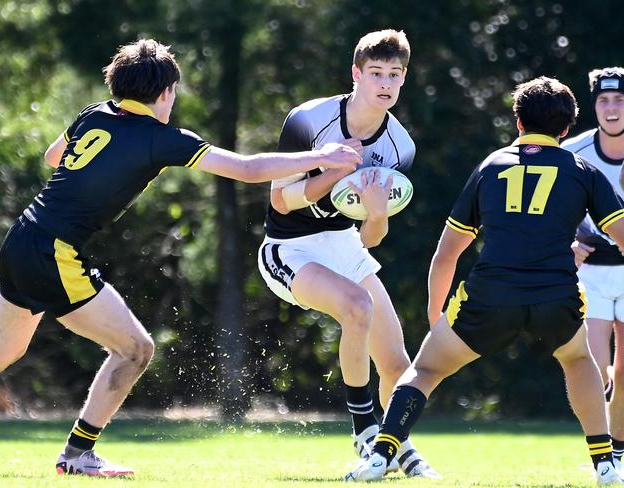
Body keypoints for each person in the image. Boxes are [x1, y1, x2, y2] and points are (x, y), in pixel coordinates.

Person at [0, 39, 361, 477]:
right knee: (135, 349)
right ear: (165, 94)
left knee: (1, 348)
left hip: (21, 237)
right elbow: (248, 169)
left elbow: (52, 156)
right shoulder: (163, 139)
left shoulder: (94, 113)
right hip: (53, 254)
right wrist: (322, 156)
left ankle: (78, 454)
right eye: (174, 92)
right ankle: (78, 455)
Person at [346, 76, 624, 485]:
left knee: (423, 370)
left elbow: (447, 254)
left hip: (489, 296)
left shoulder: (491, 166)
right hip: (555, 296)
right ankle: (605, 465)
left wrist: (435, 311)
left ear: (518, 122)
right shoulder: (583, 170)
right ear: (566, 129)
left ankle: (380, 455)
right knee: (579, 360)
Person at [256, 29, 437, 478]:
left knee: (397, 365)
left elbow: (372, 237)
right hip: (289, 247)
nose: (386, 83)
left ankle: (396, 446)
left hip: (344, 243)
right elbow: (281, 200)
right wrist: (331, 166)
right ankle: (363, 428)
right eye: (376, 72)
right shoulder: (309, 119)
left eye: (395, 74)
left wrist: (377, 215)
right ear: (355, 74)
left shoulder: (401, 146)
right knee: (358, 308)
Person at [564, 67, 624, 473]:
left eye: (619, 99)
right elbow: (553, 206)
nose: (612, 107)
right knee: (595, 365)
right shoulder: (574, 151)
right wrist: (567, 243)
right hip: (592, 273)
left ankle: (617, 453)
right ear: (594, 105)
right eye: (603, 100)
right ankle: (603, 455)